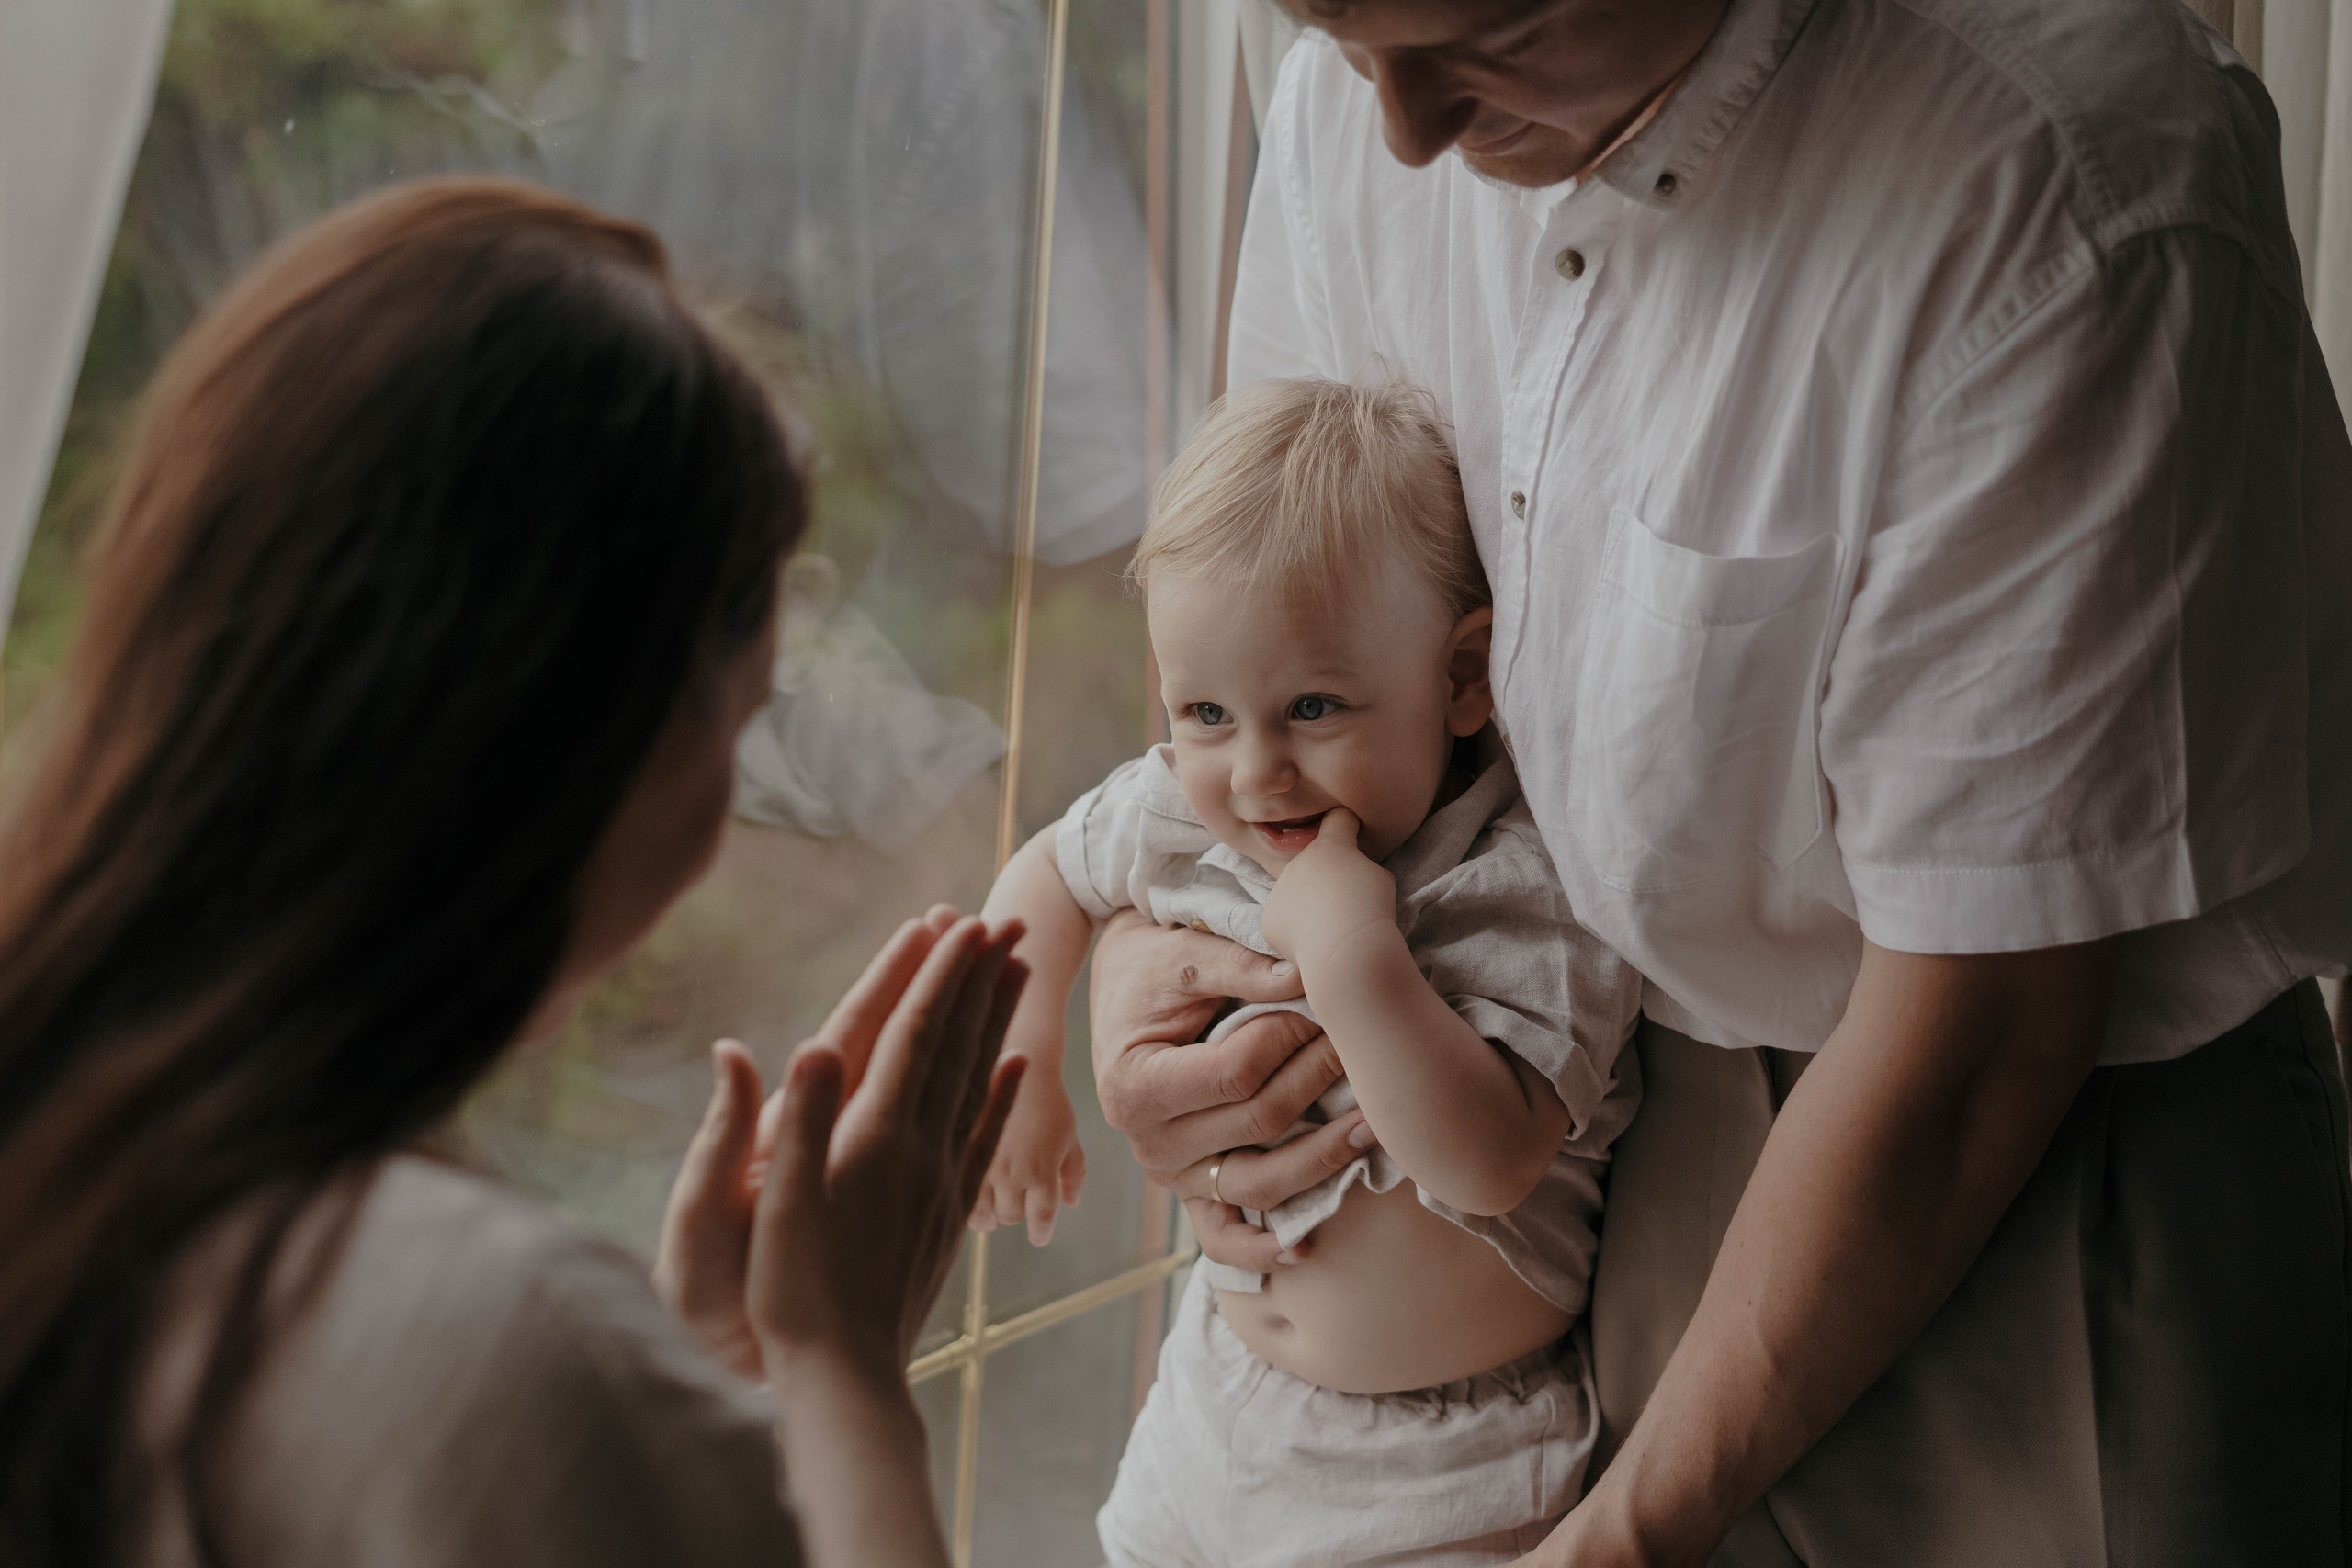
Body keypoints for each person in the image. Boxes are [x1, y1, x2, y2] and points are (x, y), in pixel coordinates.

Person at [1083, 2, 2352, 1564]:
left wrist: (1621, 1538)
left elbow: (1982, 1043)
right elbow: (1284, 645)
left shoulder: (2062, 179)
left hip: (2059, 1160)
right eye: (1339, 33)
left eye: (1489, 30)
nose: (1397, 126)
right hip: (1608, 1135)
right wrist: (1150, 982)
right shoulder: (1370, 93)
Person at [0, 175, 1030, 1568]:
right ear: (597, 747)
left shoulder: (88, 1148)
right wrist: (836, 1364)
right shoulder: (474, 1341)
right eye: (744, 705)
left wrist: (700, 1396)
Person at [973, 376, 1644, 1565]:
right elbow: (1048, 874)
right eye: (1207, 711)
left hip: (1437, 1470)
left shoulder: (1520, 886)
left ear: (1461, 678)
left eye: (1314, 707)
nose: (1256, 773)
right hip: (1211, 1404)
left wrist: (1352, 951)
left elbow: (1487, 1163)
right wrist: (1021, 1059)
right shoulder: (1191, 810)